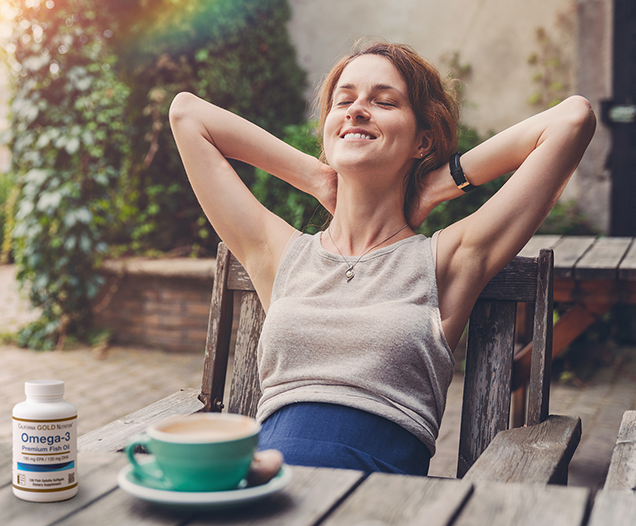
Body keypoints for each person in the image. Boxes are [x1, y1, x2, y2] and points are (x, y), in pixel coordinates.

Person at [168, 40, 596, 476]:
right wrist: (316, 175)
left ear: (422, 140)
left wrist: (442, 183)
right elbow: (187, 114)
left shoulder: (445, 261)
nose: (356, 110)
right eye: (344, 100)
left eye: (384, 101)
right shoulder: (281, 255)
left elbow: (572, 119)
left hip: (376, 500)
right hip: (268, 486)